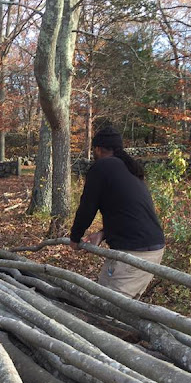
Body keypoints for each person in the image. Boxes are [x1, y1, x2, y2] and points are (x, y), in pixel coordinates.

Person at [69, 126, 165, 299]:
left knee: (108, 306)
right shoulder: (128, 169)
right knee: (108, 298)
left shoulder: (102, 167)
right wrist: (103, 233)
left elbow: (87, 207)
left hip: (135, 252)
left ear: (98, 149)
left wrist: (75, 237)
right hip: (149, 247)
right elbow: (128, 212)